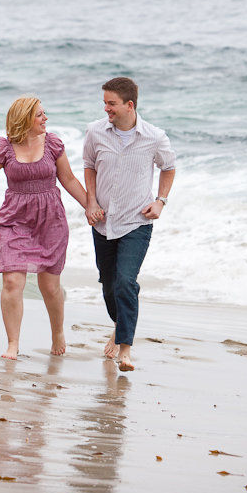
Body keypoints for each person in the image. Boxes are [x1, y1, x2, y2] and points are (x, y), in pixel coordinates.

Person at [0, 96, 87, 360]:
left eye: (45, 113)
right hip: (14, 219)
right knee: (12, 281)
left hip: (50, 219)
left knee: (50, 285)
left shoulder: (53, 143)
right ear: (24, 119)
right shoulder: (4, 148)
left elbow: (68, 179)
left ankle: (57, 332)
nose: (45, 118)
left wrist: (92, 206)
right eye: (40, 115)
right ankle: (13, 344)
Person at [83, 77, 176, 372]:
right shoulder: (96, 132)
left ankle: (125, 349)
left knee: (125, 281)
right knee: (110, 287)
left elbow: (169, 168)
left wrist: (160, 201)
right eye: (105, 103)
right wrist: (91, 202)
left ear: (129, 105)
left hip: (137, 221)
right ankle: (121, 322)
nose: (106, 108)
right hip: (103, 222)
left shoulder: (154, 136)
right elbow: (89, 167)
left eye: (111, 103)